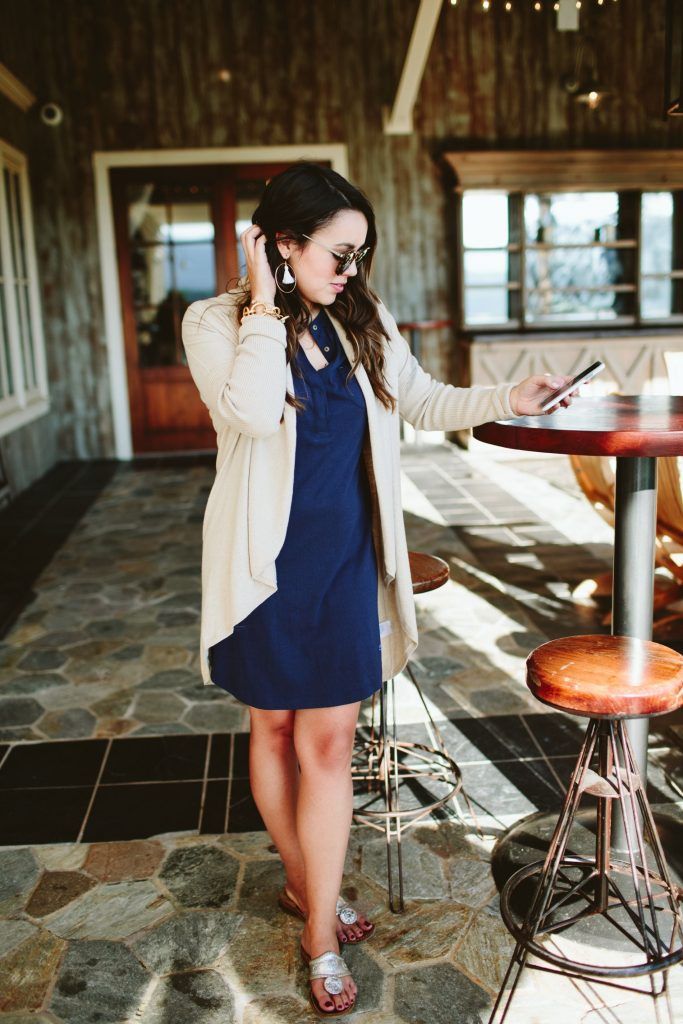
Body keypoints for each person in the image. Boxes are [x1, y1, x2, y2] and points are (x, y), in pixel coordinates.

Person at [181, 162, 575, 1018]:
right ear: (283, 244)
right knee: (271, 727)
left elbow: (422, 399)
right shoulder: (214, 322)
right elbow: (249, 412)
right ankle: (307, 890)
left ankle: (317, 930)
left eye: (360, 254)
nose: (351, 270)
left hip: (344, 562)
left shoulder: (363, 318)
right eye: (338, 253)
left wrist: (512, 394)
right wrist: (262, 304)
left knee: (327, 746)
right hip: (261, 567)